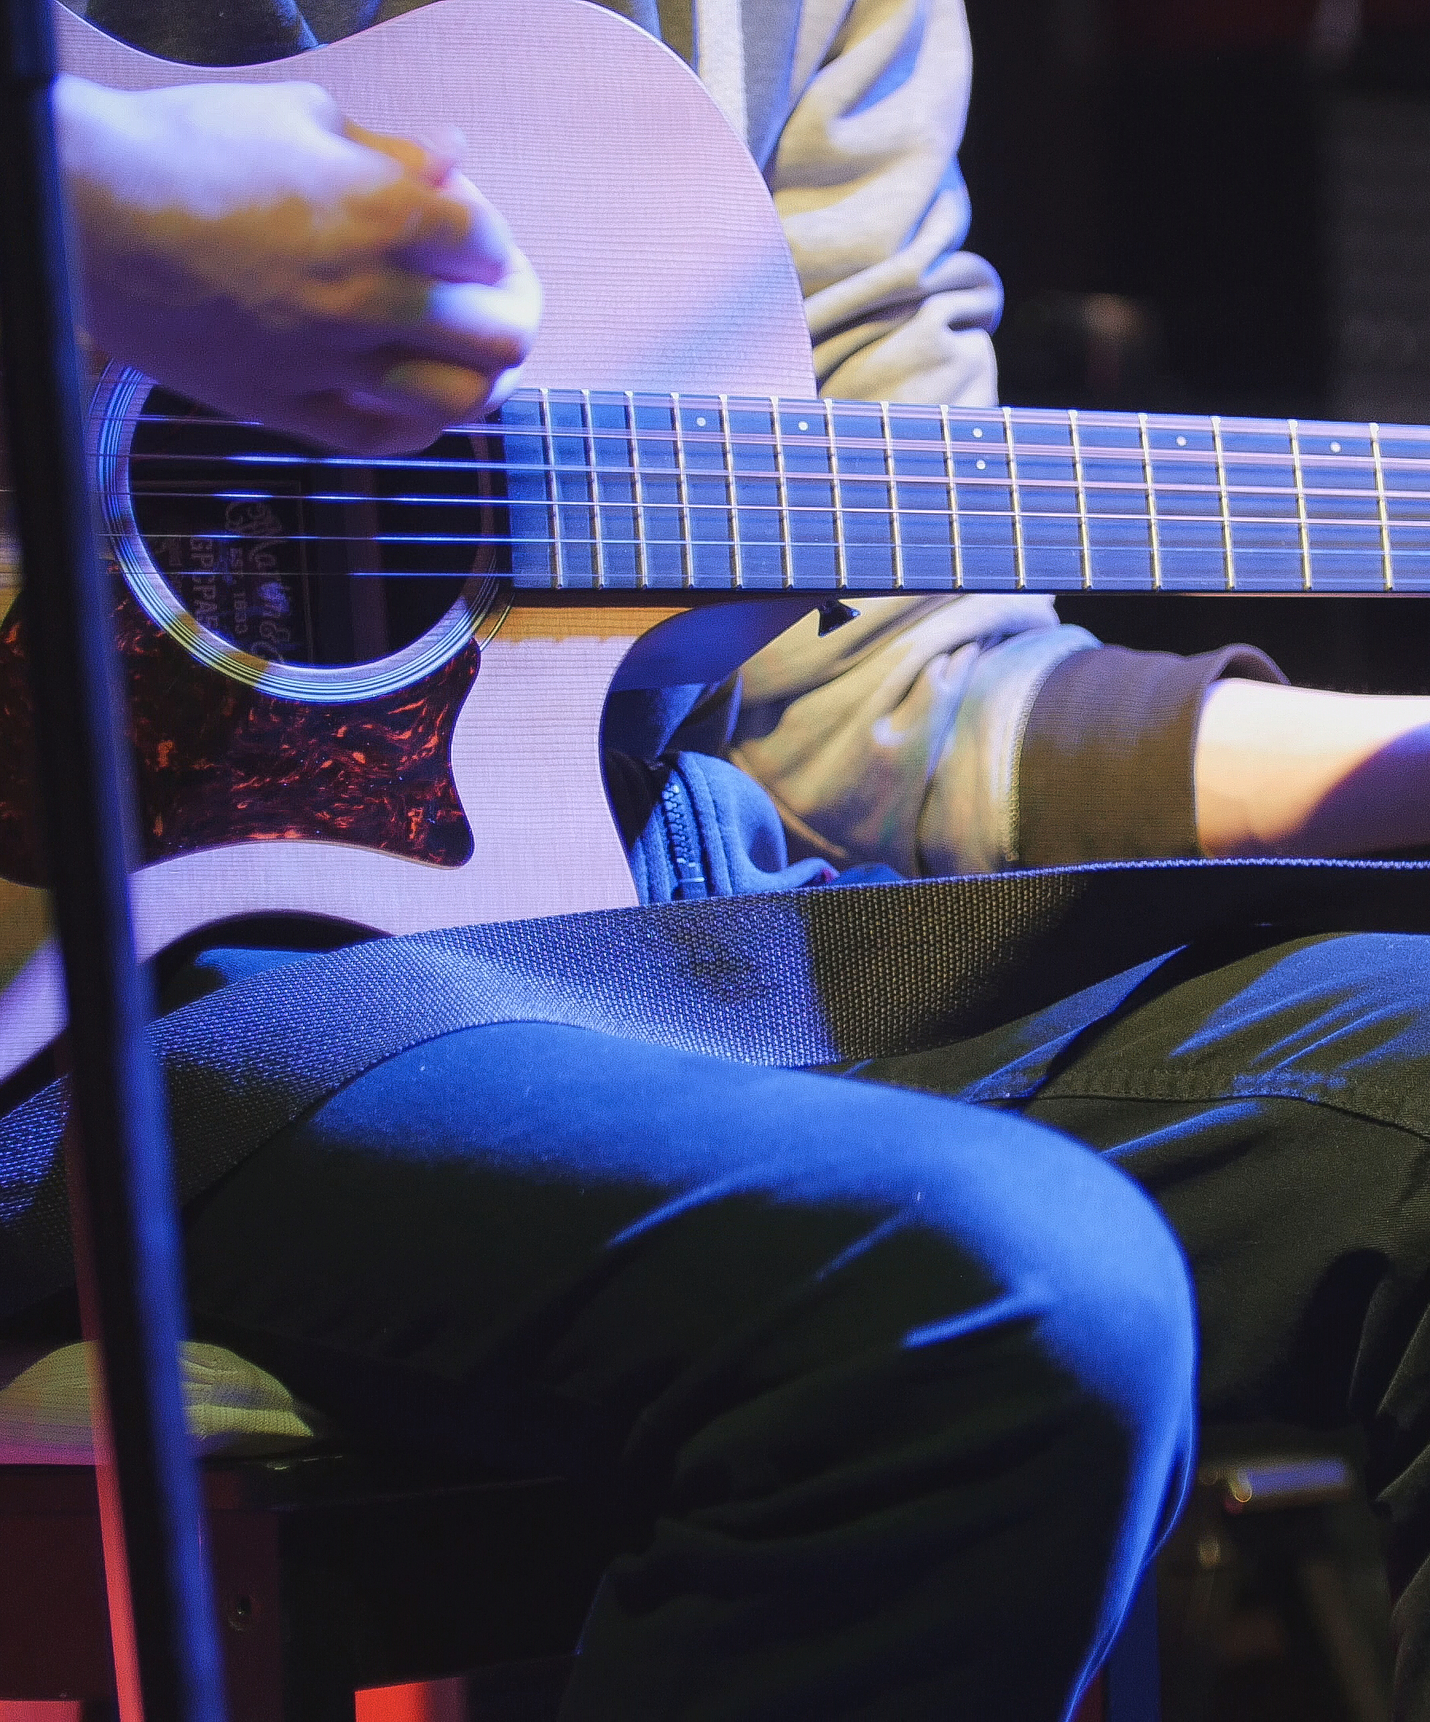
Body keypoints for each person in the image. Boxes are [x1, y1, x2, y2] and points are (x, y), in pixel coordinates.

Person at [19, 2, 1430, 1717]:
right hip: (112, 995)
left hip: (614, 904)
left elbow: (890, 688)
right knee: (999, 1290)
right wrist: (84, 194)